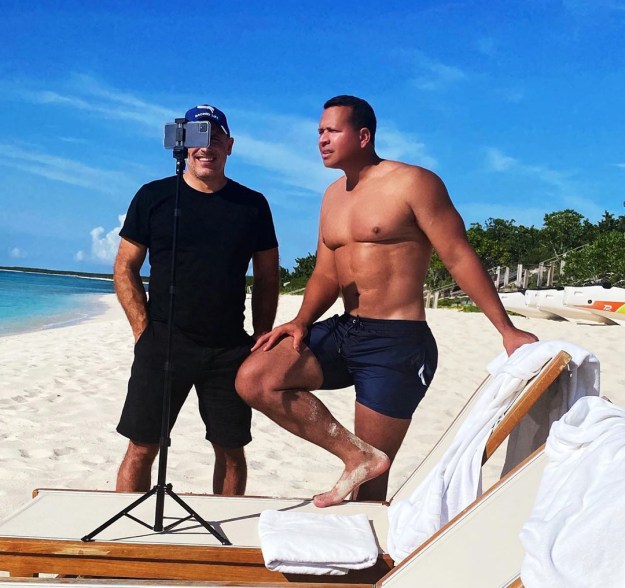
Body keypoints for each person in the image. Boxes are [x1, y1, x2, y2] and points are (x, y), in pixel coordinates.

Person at [235, 95, 537, 507]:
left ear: (363, 136)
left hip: (397, 342)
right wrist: (302, 320)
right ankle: (354, 454)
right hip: (345, 329)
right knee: (255, 378)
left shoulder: (413, 182)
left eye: (331, 131)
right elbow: (326, 273)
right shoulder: (331, 196)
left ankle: (365, 556)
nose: (321, 140)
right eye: (319, 132)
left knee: (368, 492)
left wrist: (506, 329)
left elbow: (457, 255)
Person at [114, 104, 279, 496]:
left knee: (231, 449)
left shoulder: (252, 205)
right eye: (197, 138)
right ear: (183, 144)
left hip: (228, 349)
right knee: (142, 446)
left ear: (230, 145)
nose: (206, 147)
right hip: (164, 340)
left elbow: (268, 276)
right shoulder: (153, 196)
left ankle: (222, 528)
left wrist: (261, 335)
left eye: (215, 136)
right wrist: (143, 331)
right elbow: (125, 267)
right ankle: (123, 537)